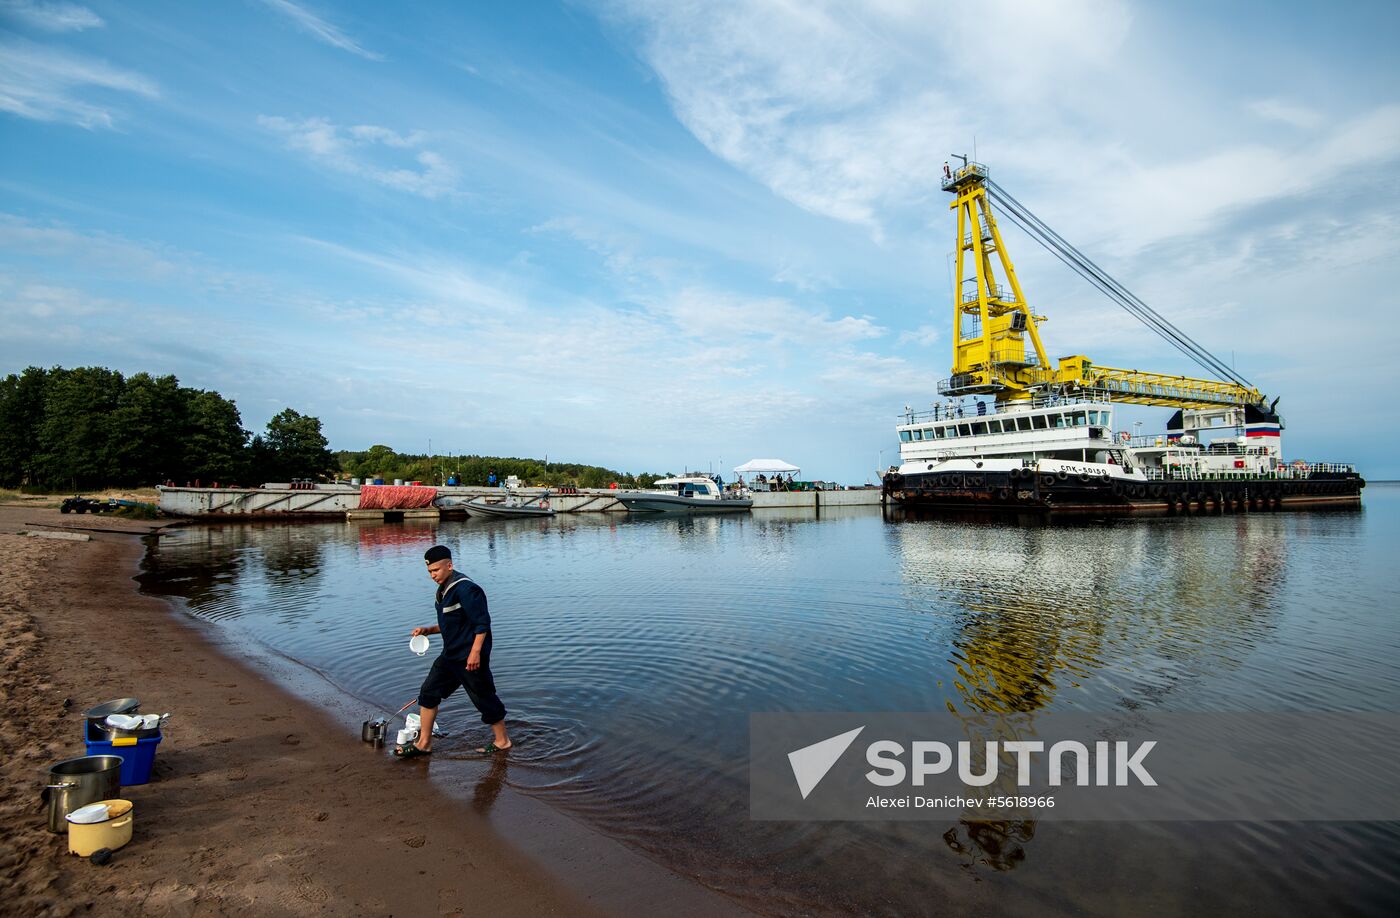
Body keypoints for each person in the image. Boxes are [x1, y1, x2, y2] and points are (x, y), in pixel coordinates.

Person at [396, 545, 511, 758]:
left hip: (470, 658)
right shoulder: (443, 591)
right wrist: (428, 630)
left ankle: (502, 741)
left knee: (484, 697)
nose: (433, 575)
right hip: (450, 656)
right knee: (428, 693)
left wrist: (475, 653)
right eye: (430, 572)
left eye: (436, 570)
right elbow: (453, 623)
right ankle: (424, 744)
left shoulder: (467, 589)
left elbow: (482, 623)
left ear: (449, 565)